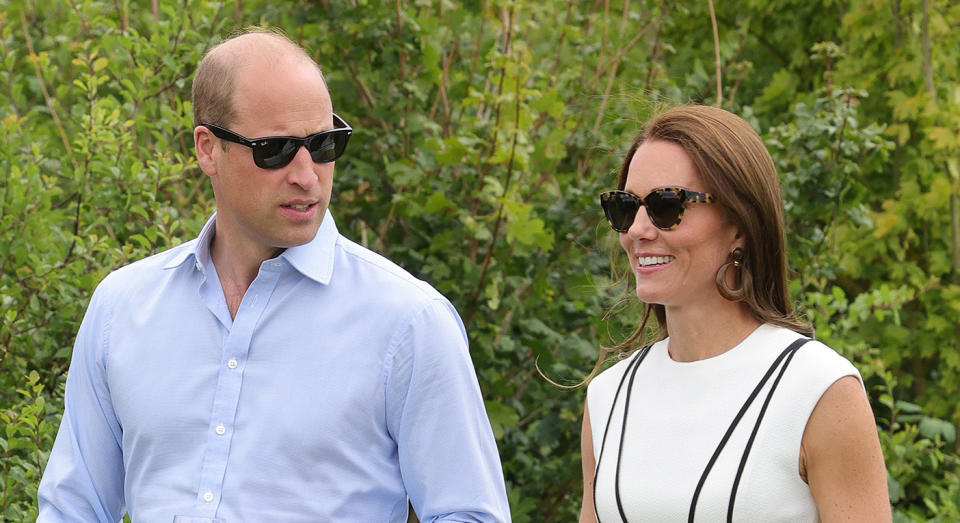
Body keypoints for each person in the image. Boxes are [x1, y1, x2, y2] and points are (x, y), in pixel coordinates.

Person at [37, 29, 510, 523]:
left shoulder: (409, 322)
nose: (307, 175)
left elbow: (470, 514)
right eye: (276, 150)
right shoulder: (121, 307)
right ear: (207, 149)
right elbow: (73, 508)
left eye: (324, 145)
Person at [579, 105, 890, 522]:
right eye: (625, 206)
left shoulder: (817, 389)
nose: (637, 229)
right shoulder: (608, 397)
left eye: (666, 206)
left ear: (740, 224)